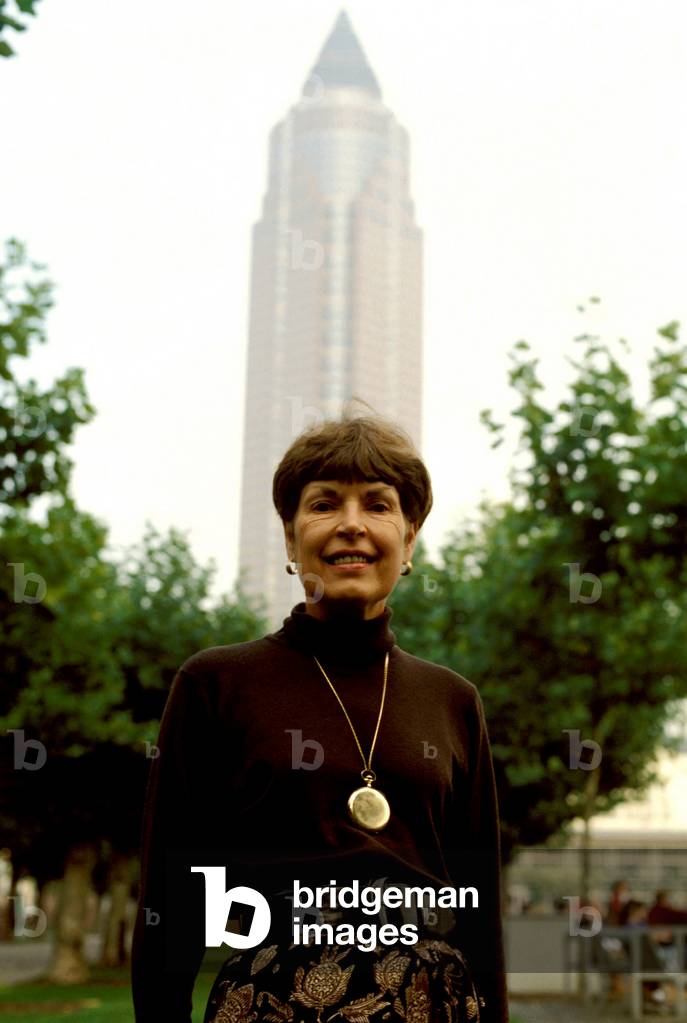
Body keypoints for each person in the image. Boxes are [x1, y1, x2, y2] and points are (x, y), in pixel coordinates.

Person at [131, 410, 508, 1023]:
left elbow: (481, 912)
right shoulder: (215, 684)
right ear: (291, 539)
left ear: (409, 541)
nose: (351, 524)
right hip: (269, 1006)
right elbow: (171, 900)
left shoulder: (454, 700)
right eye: (324, 504)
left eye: (378, 505)